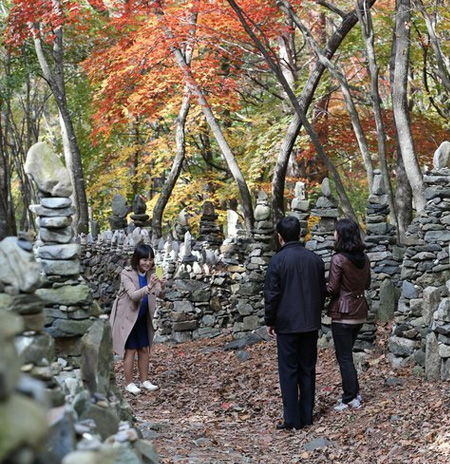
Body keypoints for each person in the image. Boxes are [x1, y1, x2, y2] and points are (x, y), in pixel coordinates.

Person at [264, 216, 326, 430]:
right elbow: (322, 291)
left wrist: (269, 320)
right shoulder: (315, 260)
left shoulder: (277, 261)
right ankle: (306, 414)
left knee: (288, 370)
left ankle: (292, 418)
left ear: (280, 237)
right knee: (307, 368)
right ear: (299, 233)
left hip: (287, 324)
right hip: (309, 321)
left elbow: (272, 294)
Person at [110, 243, 166, 395]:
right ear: (137, 260)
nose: (148, 263)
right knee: (130, 350)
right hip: (128, 317)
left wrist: (162, 285)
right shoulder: (126, 274)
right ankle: (129, 383)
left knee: (144, 349)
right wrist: (149, 286)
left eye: (150, 259)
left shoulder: (153, 273)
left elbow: (160, 295)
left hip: (142, 316)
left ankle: (144, 380)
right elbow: (134, 295)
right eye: (144, 260)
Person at [327, 218, 371, 411]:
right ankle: (354, 393)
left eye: (336, 231)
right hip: (360, 311)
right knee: (347, 356)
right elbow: (367, 284)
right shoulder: (364, 258)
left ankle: (349, 398)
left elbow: (332, 288)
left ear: (342, 235)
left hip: (343, 314)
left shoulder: (338, 259)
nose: (333, 234)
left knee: (344, 358)